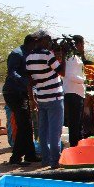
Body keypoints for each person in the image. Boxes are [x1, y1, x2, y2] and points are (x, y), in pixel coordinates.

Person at [26, 30, 65, 169]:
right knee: (55, 131)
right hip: (54, 96)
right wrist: (64, 55)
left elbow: (30, 81)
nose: (50, 42)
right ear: (42, 40)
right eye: (48, 40)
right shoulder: (48, 55)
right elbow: (62, 72)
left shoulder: (29, 57)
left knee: (43, 131)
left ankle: (46, 160)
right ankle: (55, 161)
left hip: (42, 97)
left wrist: (32, 98)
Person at [2, 34, 41, 165]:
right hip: (13, 92)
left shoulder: (28, 53)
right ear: (33, 43)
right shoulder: (17, 53)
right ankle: (16, 157)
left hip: (22, 92)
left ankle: (30, 155)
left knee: (26, 124)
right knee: (24, 124)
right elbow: (12, 72)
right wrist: (25, 82)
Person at [63, 35, 86, 147]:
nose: (82, 46)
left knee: (77, 123)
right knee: (75, 124)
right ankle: (75, 147)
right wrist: (85, 81)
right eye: (81, 44)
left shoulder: (72, 57)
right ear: (76, 45)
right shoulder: (71, 58)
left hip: (76, 93)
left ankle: (78, 146)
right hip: (73, 94)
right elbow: (71, 75)